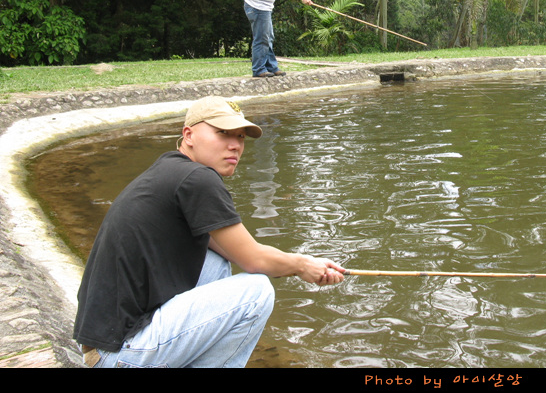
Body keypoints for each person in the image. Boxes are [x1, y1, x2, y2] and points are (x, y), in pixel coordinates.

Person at [73, 96, 345, 368]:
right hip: (121, 353)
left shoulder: (170, 169)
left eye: (240, 137)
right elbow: (255, 260)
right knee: (257, 292)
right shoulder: (197, 179)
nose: (235, 145)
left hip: (101, 347)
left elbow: (240, 251)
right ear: (189, 135)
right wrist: (301, 265)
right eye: (223, 133)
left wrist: (308, 264)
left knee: (214, 264)